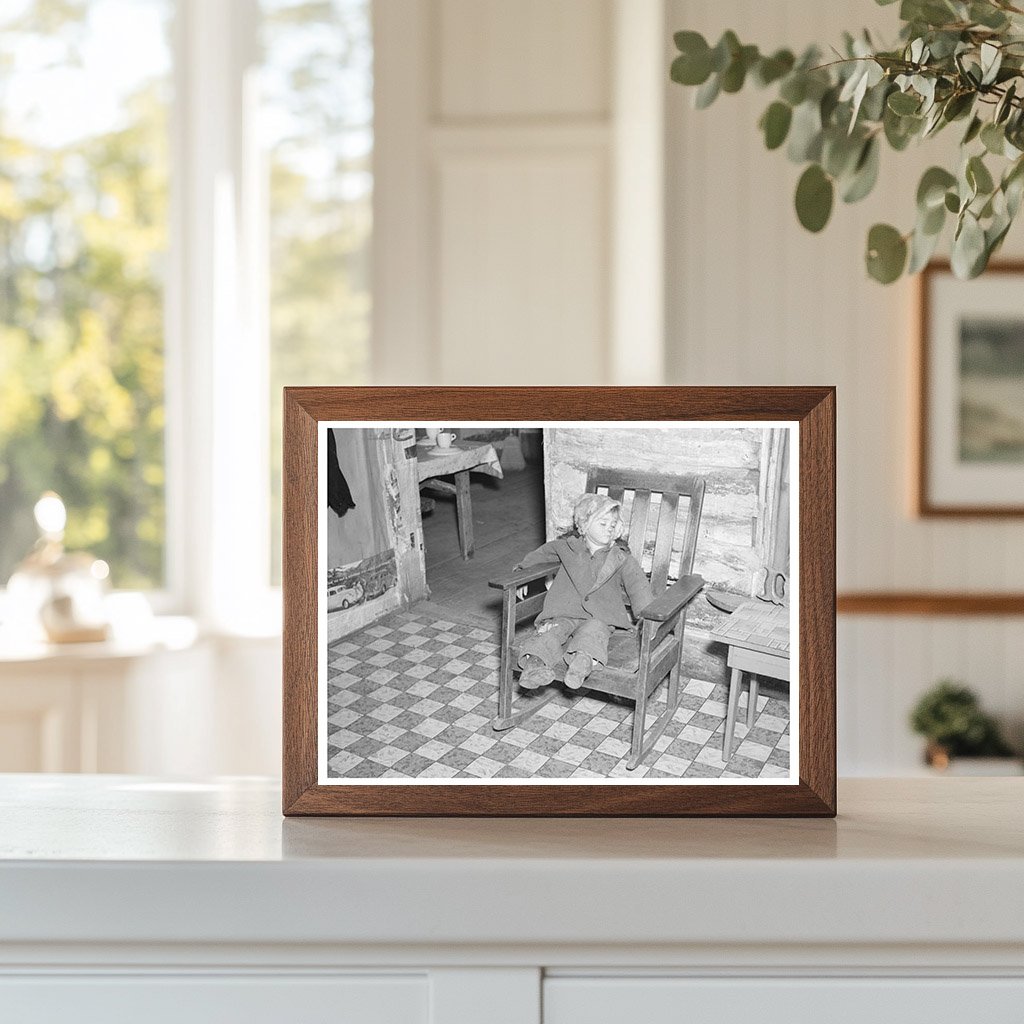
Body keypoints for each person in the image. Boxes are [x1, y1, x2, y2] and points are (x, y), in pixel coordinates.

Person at [515, 493, 654, 691]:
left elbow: (638, 586)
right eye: (603, 523)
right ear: (584, 524)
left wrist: (647, 614)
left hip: (600, 618)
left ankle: (580, 665)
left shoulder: (620, 558)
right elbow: (539, 556)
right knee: (552, 632)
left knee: (594, 634)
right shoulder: (566, 548)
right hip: (563, 612)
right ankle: (533, 666)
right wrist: (523, 575)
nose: (609, 529)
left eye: (613, 525)